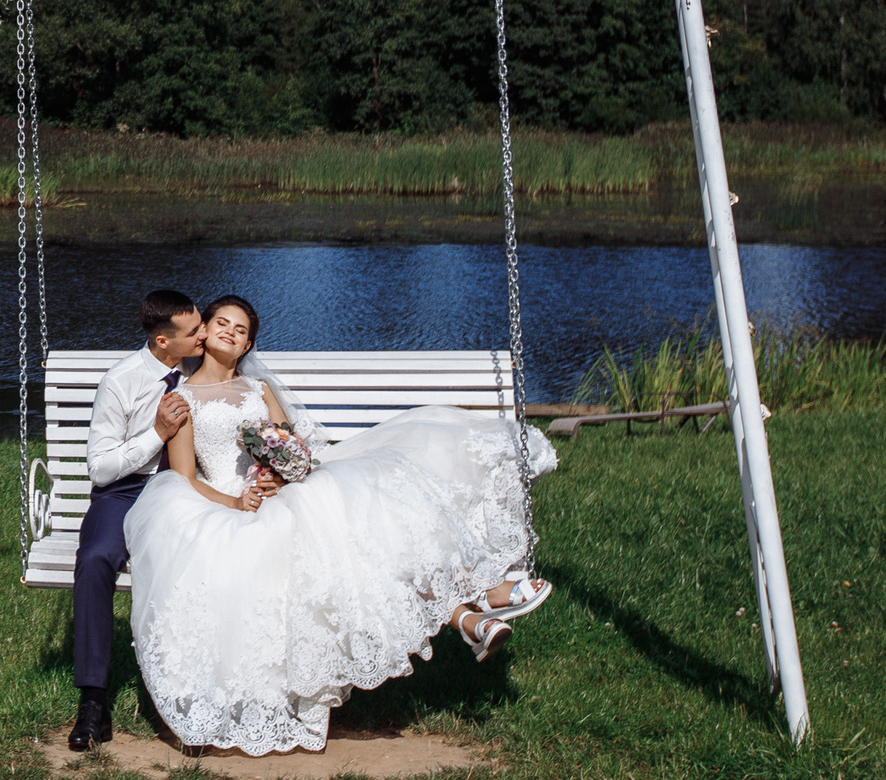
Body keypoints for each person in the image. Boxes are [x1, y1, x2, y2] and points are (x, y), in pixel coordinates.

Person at [121, 295, 558, 757]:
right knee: (340, 530)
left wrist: (275, 473)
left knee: (375, 504)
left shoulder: (259, 391)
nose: (231, 331)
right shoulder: (183, 400)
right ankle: (471, 613)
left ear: (250, 343)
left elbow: (291, 450)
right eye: (222, 323)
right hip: (224, 505)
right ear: (204, 331)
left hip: (281, 493)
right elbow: (185, 478)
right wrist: (237, 499)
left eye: (242, 329)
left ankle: (472, 608)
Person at [68, 288, 208, 753]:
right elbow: (100, 468)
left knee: (195, 563)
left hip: (185, 487)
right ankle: (93, 699)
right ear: (164, 342)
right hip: (125, 489)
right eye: (194, 331)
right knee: (95, 559)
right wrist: (156, 434)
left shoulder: (204, 367)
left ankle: (186, 691)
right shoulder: (122, 381)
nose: (204, 334)